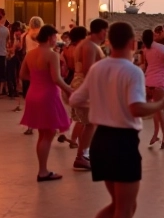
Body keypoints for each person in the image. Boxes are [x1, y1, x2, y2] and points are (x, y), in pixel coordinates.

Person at [69, 22, 164, 218]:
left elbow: (75, 99)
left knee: (120, 205)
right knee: (126, 207)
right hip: (123, 142)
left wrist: (102, 104)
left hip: (101, 141)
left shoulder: (98, 69)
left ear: (108, 42)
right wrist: (162, 102)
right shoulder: (132, 71)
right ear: (132, 44)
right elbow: (137, 108)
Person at [19, 25, 75, 181]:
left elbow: (22, 74)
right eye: (55, 37)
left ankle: (42, 169)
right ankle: (42, 171)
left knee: (43, 133)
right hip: (47, 95)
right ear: (50, 37)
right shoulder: (52, 55)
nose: (56, 41)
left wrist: (38, 80)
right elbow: (56, 79)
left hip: (33, 94)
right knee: (48, 133)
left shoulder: (30, 54)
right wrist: (70, 90)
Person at [69, 19, 109, 171]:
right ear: (100, 31)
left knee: (89, 123)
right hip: (87, 86)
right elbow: (88, 70)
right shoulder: (90, 46)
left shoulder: (86, 44)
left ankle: (84, 154)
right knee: (90, 123)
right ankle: (81, 156)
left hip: (83, 84)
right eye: (105, 30)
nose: (106, 34)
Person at [141, 28, 164, 148]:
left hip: (148, 82)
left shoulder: (146, 50)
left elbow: (146, 66)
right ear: (154, 36)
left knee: (156, 111)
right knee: (161, 113)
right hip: (160, 83)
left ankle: (155, 134)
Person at [57, 26, 88, 146]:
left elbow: (64, 65)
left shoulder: (66, 48)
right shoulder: (83, 49)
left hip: (69, 78)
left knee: (72, 111)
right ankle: (76, 141)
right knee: (82, 115)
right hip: (79, 79)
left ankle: (67, 134)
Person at [21, 17, 45, 135]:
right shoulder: (41, 34)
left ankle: (30, 126)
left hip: (28, 61)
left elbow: (23, 48)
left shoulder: (26, 34)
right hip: (40, 61)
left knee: (30, 95)